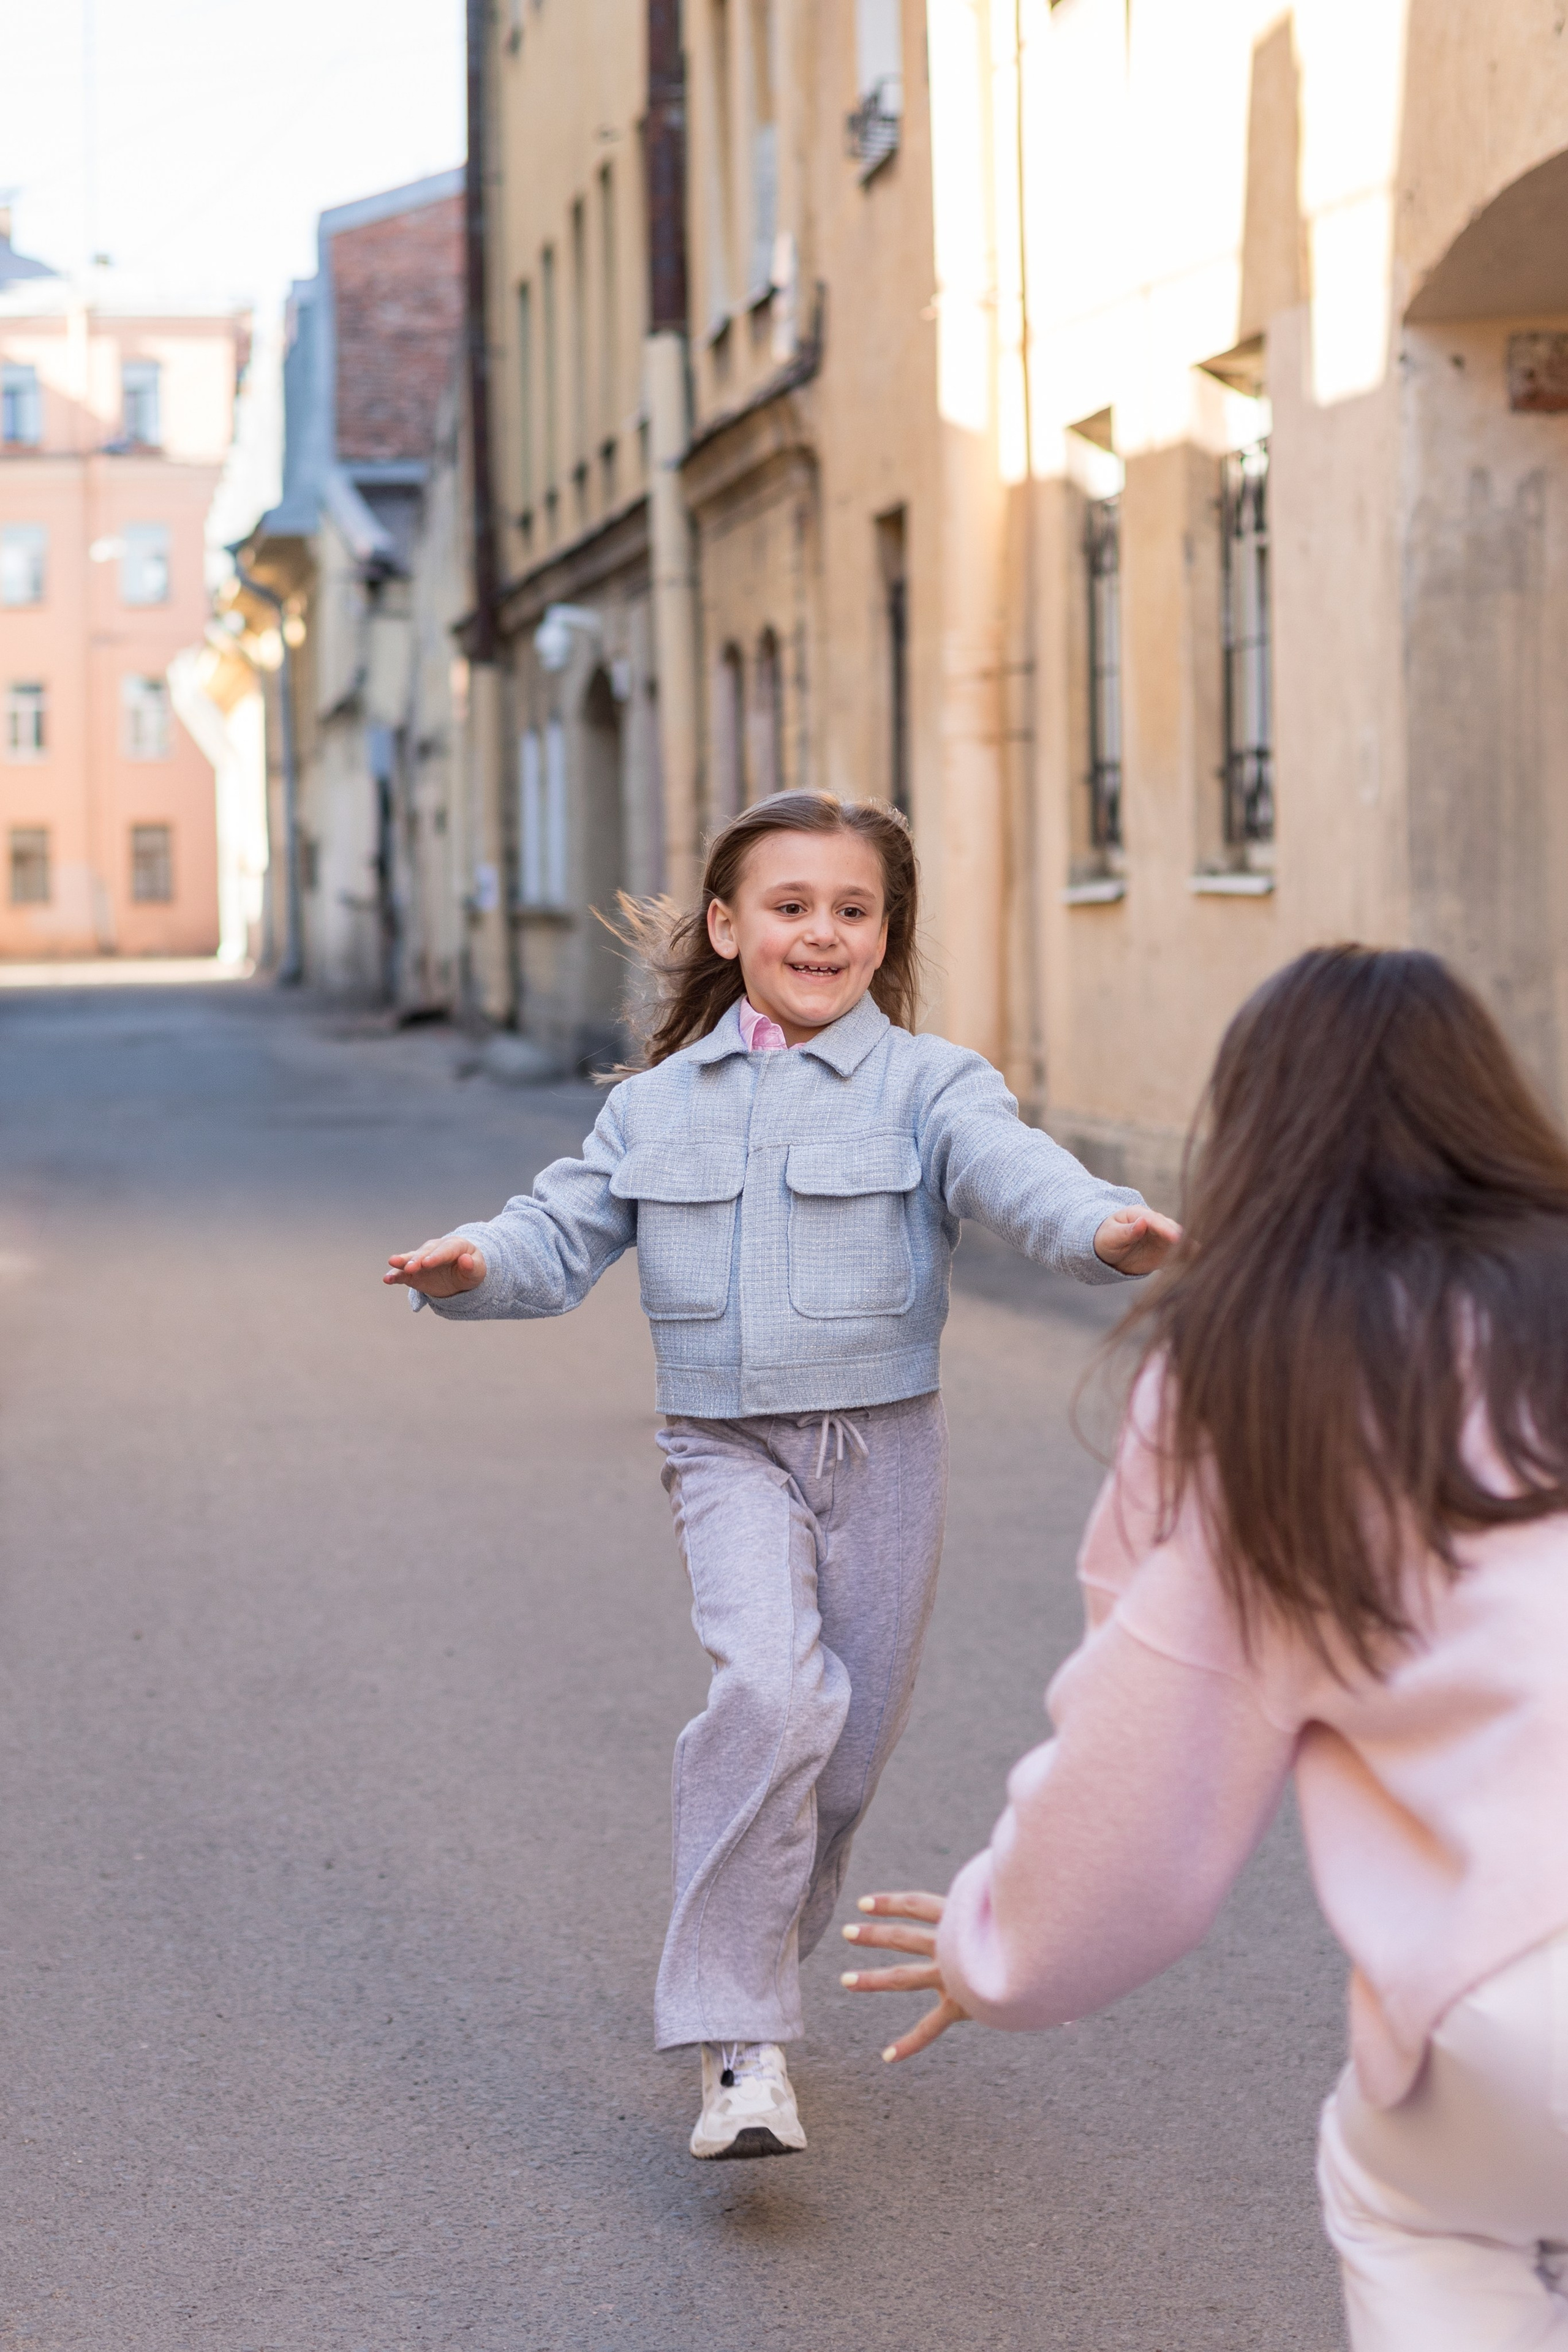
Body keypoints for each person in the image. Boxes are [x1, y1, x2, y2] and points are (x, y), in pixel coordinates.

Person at [383, 791, 1178, 2161]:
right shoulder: (653, 1108)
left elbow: (1013, 1171)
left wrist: (1101, 1228)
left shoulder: (931, 1085)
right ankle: (737, 2042)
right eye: (789, 905)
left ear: (884, 933)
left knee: (845, 1759)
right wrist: (474, 1265)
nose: (821, 932)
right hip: (725, 1448)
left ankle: (754, 1953)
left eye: (852, 909)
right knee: (768, 1694)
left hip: (884, 1449)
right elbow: (554, 1230)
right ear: (726, 923)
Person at [843, 944, 1568, 2348]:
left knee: (1420, 2213)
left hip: (1521, 1990)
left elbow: (1146, 1746)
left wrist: (1000, 1946)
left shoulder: (1257, 1367)